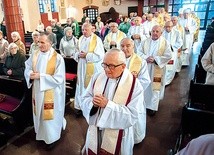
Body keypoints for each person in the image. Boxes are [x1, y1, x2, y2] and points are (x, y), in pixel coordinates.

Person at [80, 49, 145, 155]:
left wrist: (107, 105)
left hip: (119, 133)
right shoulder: (97, 77)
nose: (106, 70)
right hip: (96, 130)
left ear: (123, 66)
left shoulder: (135, 85)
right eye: (104, 65)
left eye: (111, 66)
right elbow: (84, 98)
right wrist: (92, 103)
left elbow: (133, 115)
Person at [24, 32, 66, 149]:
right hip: (37, 91)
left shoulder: (57, 58)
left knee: (49, 117)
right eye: (38, 42)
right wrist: (29, 74)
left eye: (43, 42)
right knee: (39, 115)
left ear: (50, 43)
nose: (39, 45)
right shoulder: (35, 54)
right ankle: (41, 134)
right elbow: (27, 67)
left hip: (51, 93)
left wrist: (40, 76)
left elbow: (59, 78)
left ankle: (51, 138)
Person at [120, 38, 150, 144]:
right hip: (119, 97)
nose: (125, 48)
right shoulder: (117, 59)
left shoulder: (140, 61)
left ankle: (136, 137)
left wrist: (131, 86)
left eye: (128, 46)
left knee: (135, 117)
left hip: (134, 96)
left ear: (133, 47)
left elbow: (145, 80)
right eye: (122, 46)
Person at [137, 25, 172, 116]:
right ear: (150, 32)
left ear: (161, 33)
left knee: (155, 88)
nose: (155, 33)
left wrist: (156, 59)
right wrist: (146, 58)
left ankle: (153, 107)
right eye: (153, 31)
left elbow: (168, 55)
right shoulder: (145, 41)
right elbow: (139, 52)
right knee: (145, 86)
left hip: (157, 68)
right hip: (145, 67)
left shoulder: (165, 43)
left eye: (157, 31)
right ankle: (144, 104)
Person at [73, 23, 105, 116]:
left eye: (86, 30)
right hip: (81, 66)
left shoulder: (97, 40)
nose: (84, 32)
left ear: (92, 30)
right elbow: (75, 51)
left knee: (90, 86)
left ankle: (90, 107)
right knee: (80, 85)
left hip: (91, 66)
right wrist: (78, 55)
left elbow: (100, 55)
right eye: (82, 30)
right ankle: (79, 106)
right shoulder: (80, 39)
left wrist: (86, 55)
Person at [162, 21, 183, 85]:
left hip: (172, 52)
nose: (167, 28)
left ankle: (168, 81)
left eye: (169, 27)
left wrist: (172, 47)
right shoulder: (162, 32)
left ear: (172, 26)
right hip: (163, 52)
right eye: (166, 27)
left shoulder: (177, 32)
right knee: (164, 67)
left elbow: (180, 42)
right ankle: (163, 80)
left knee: (170, 67)